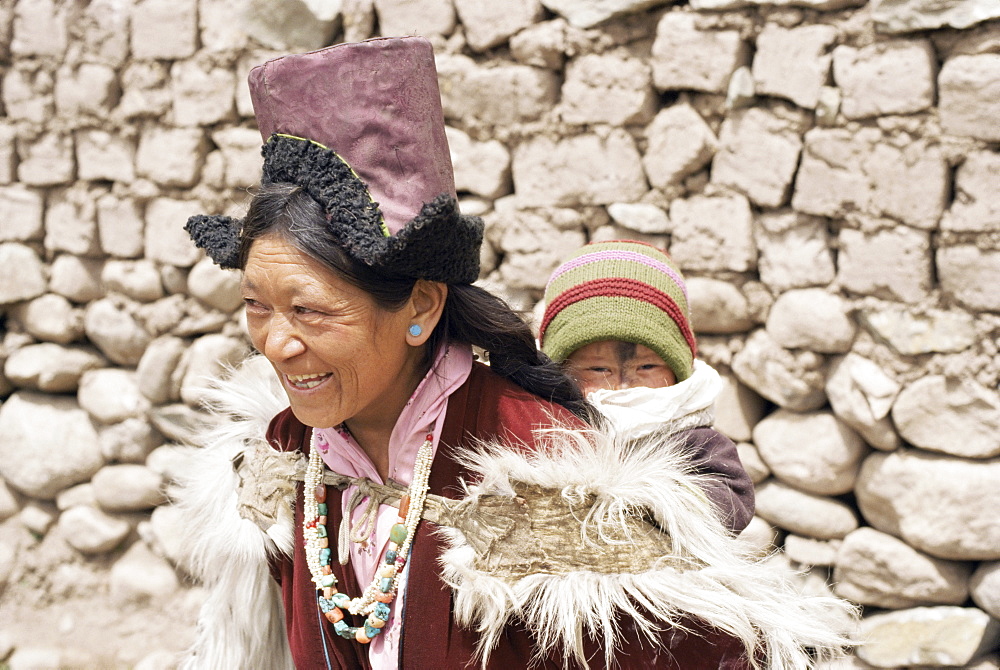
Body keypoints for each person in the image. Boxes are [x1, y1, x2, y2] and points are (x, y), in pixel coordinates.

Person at [176, 36, 853, 670]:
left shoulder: (545, 471)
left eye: (310, 310)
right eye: (255, 306)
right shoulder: (282, 456)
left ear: (419, 306)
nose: (276, 342)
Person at [538, 240, 754, 534]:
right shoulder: (544, 426)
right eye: (598, 369)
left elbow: (732, 499)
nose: (623, 385)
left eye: (647, 367)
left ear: (678, 370)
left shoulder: (690, 438)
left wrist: (653, 504)